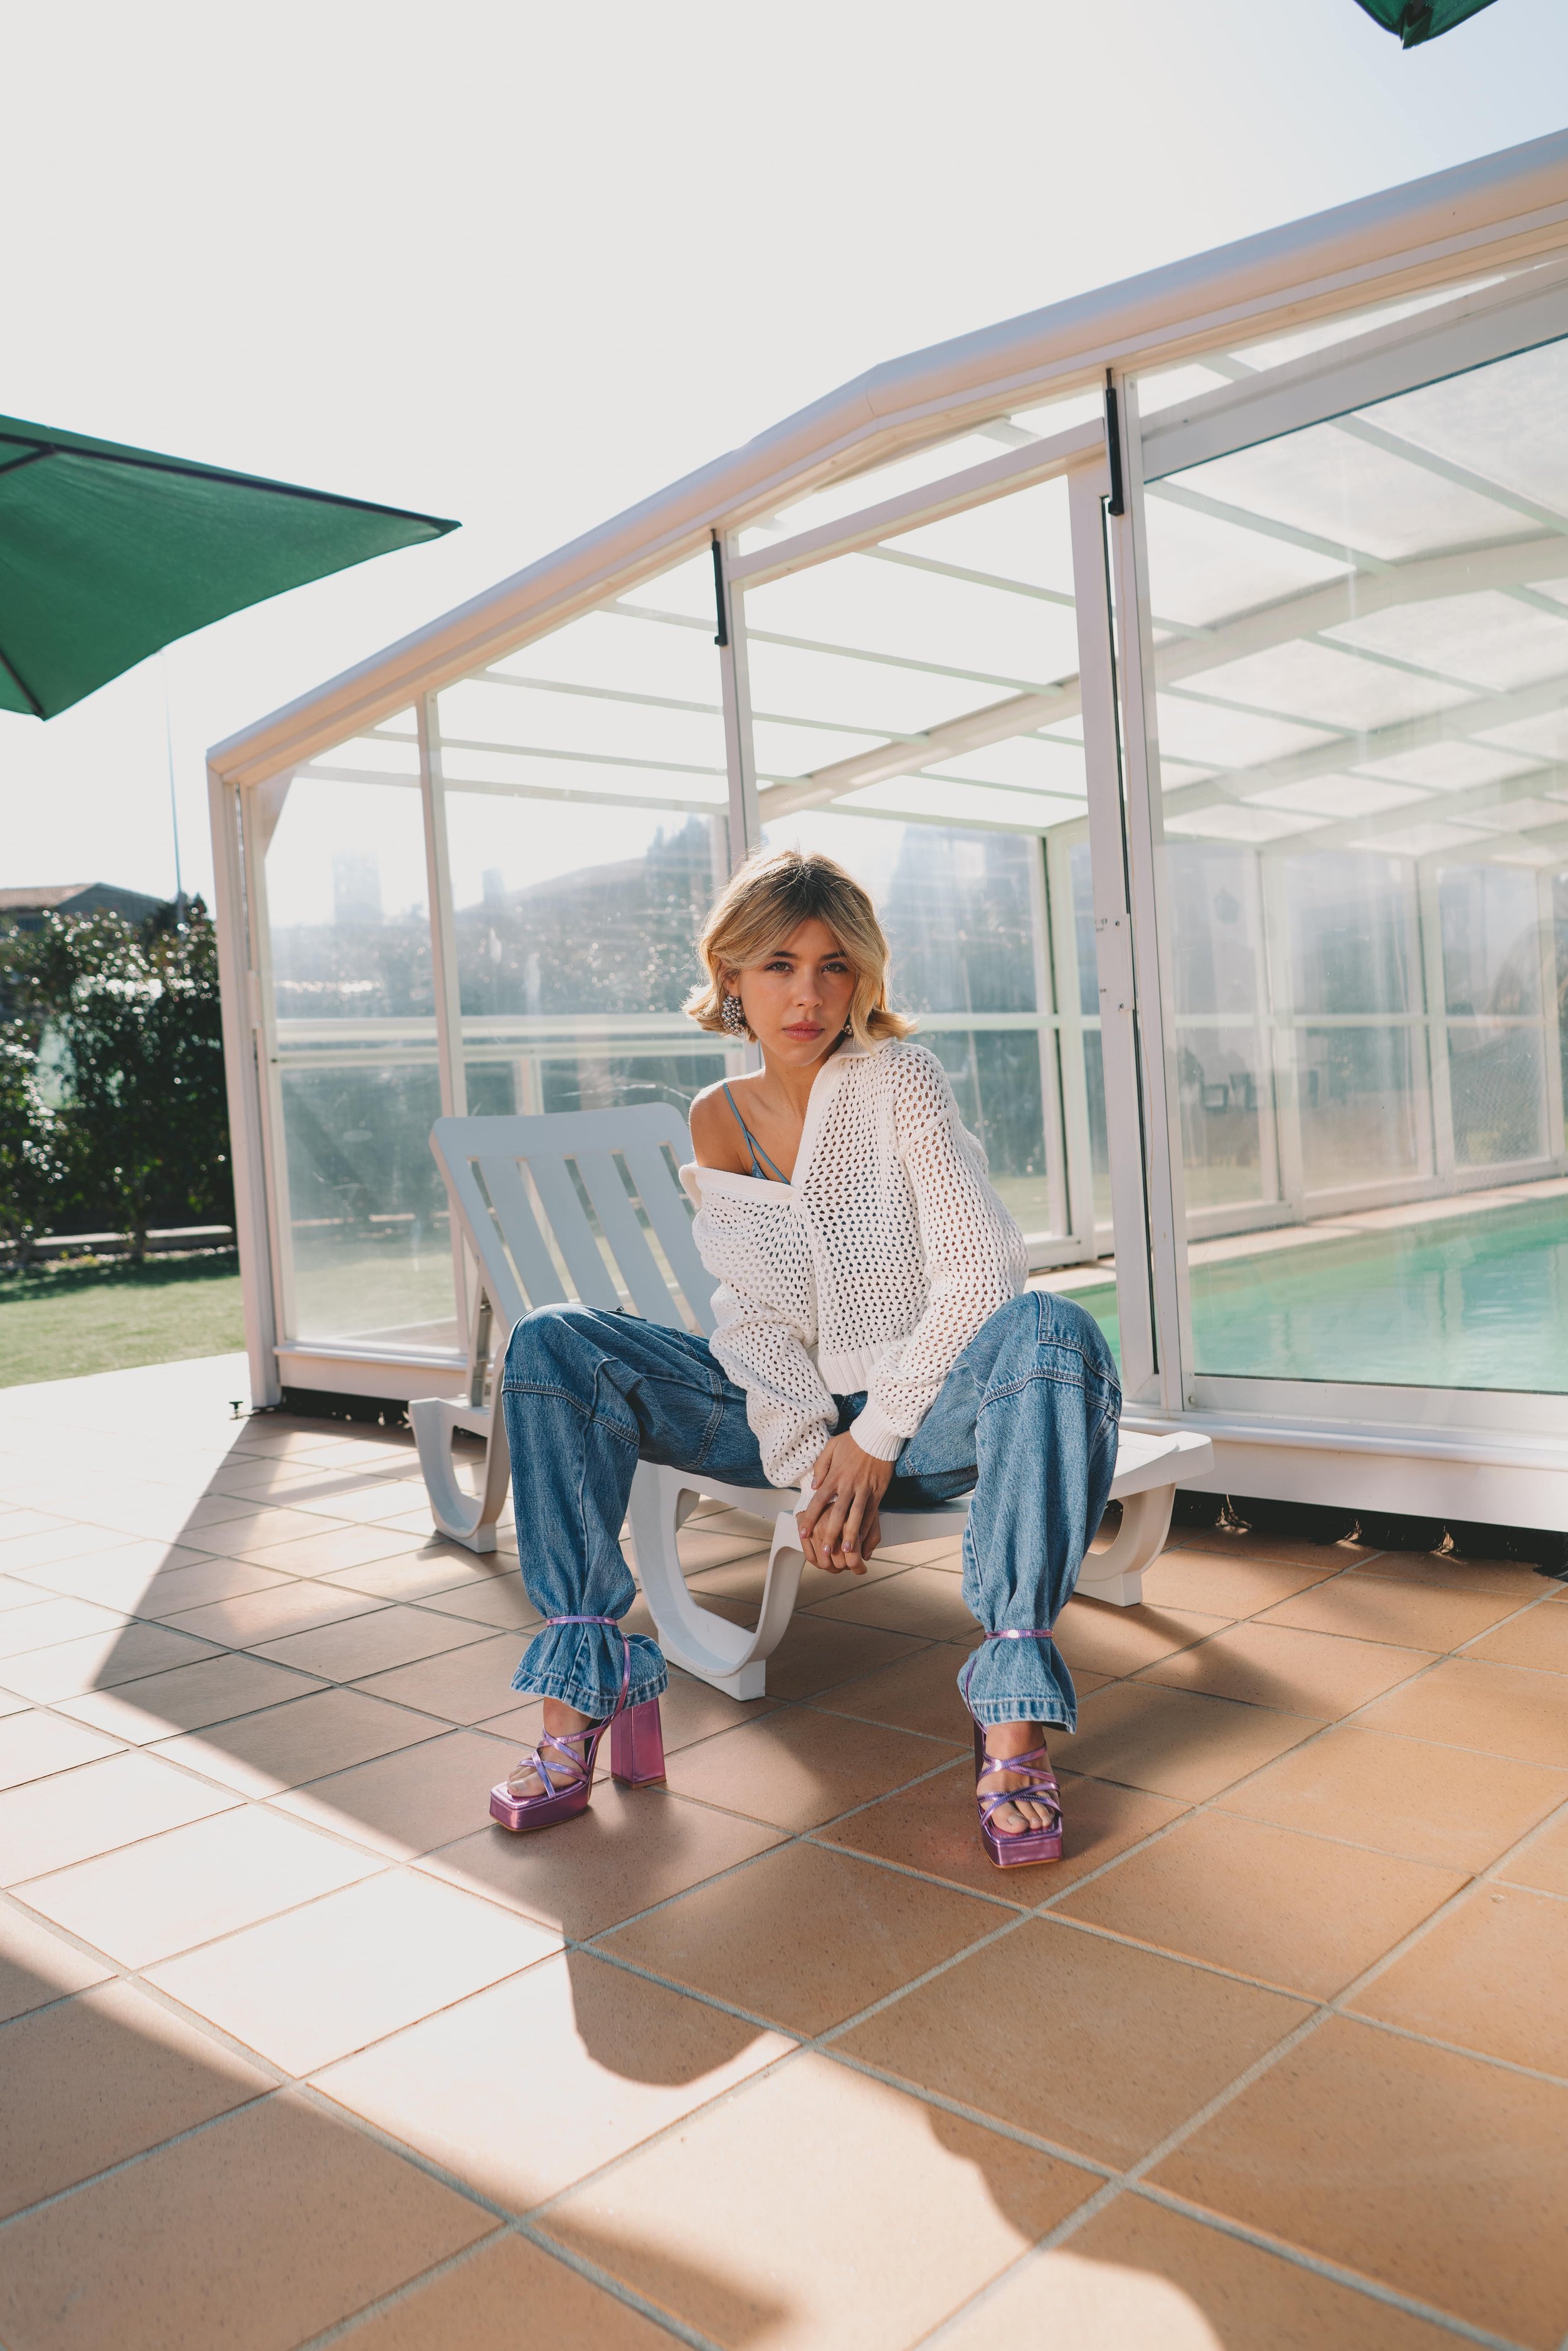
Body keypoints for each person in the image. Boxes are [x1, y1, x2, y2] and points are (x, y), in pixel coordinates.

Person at [488, 847, 1121, 1868]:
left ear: (861, 976)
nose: (809, 996)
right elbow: (752, 1318)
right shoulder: (716, 1116)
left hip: (925, 1418)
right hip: (779, 1415)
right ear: (731, 975)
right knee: (554, 1339)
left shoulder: (898, 1079)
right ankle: (581, 1693)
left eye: (834, 967)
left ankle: (1011, 1722)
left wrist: (873, 1441)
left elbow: (980, 1274)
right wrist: (810, 1462)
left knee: (1054, 1329)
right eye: (780, 965)